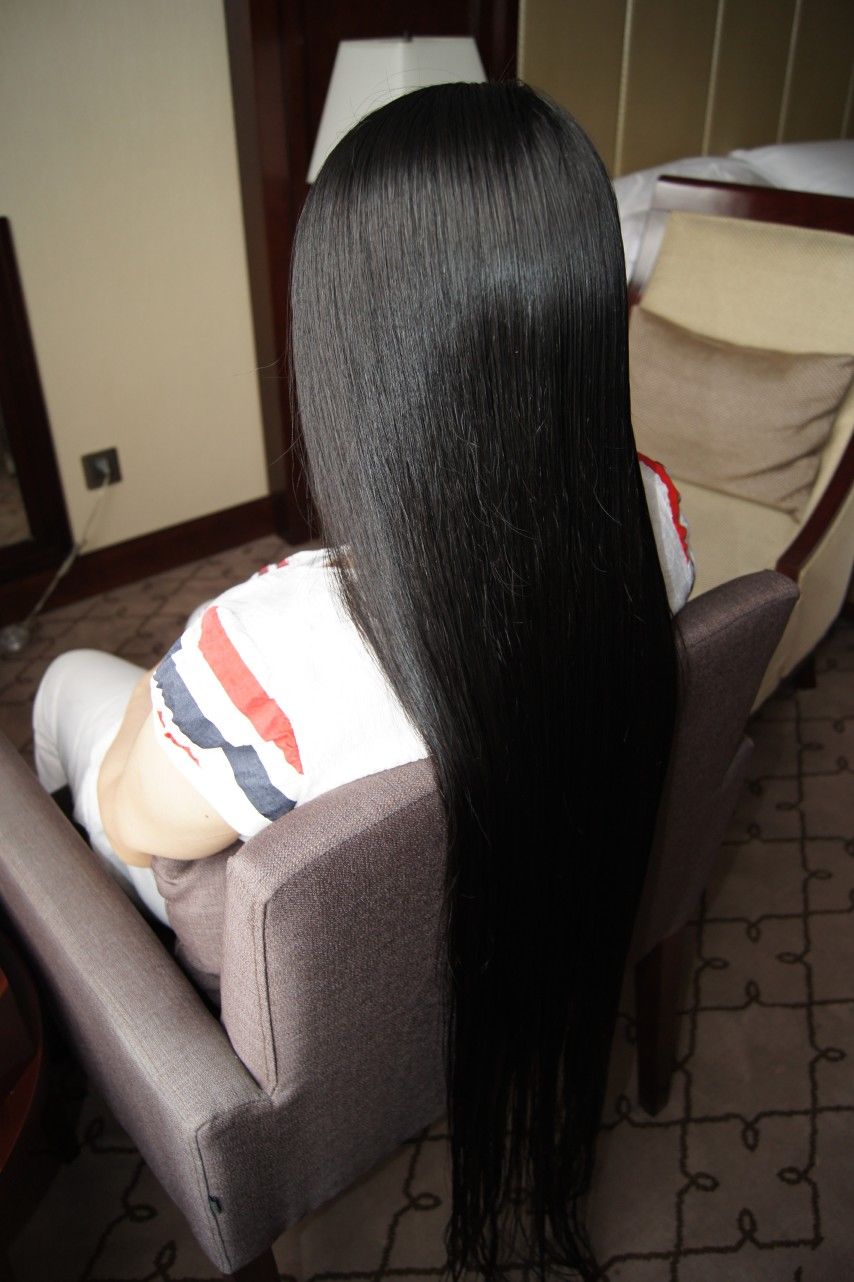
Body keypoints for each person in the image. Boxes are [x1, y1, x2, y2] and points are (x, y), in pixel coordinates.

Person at [34, 82, 694, 1280]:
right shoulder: (649, 510)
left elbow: (132, 825)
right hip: (545, 877)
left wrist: (164, 695)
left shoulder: (269, 642)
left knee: (70, 681)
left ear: (354, 349)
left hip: (263, 914)